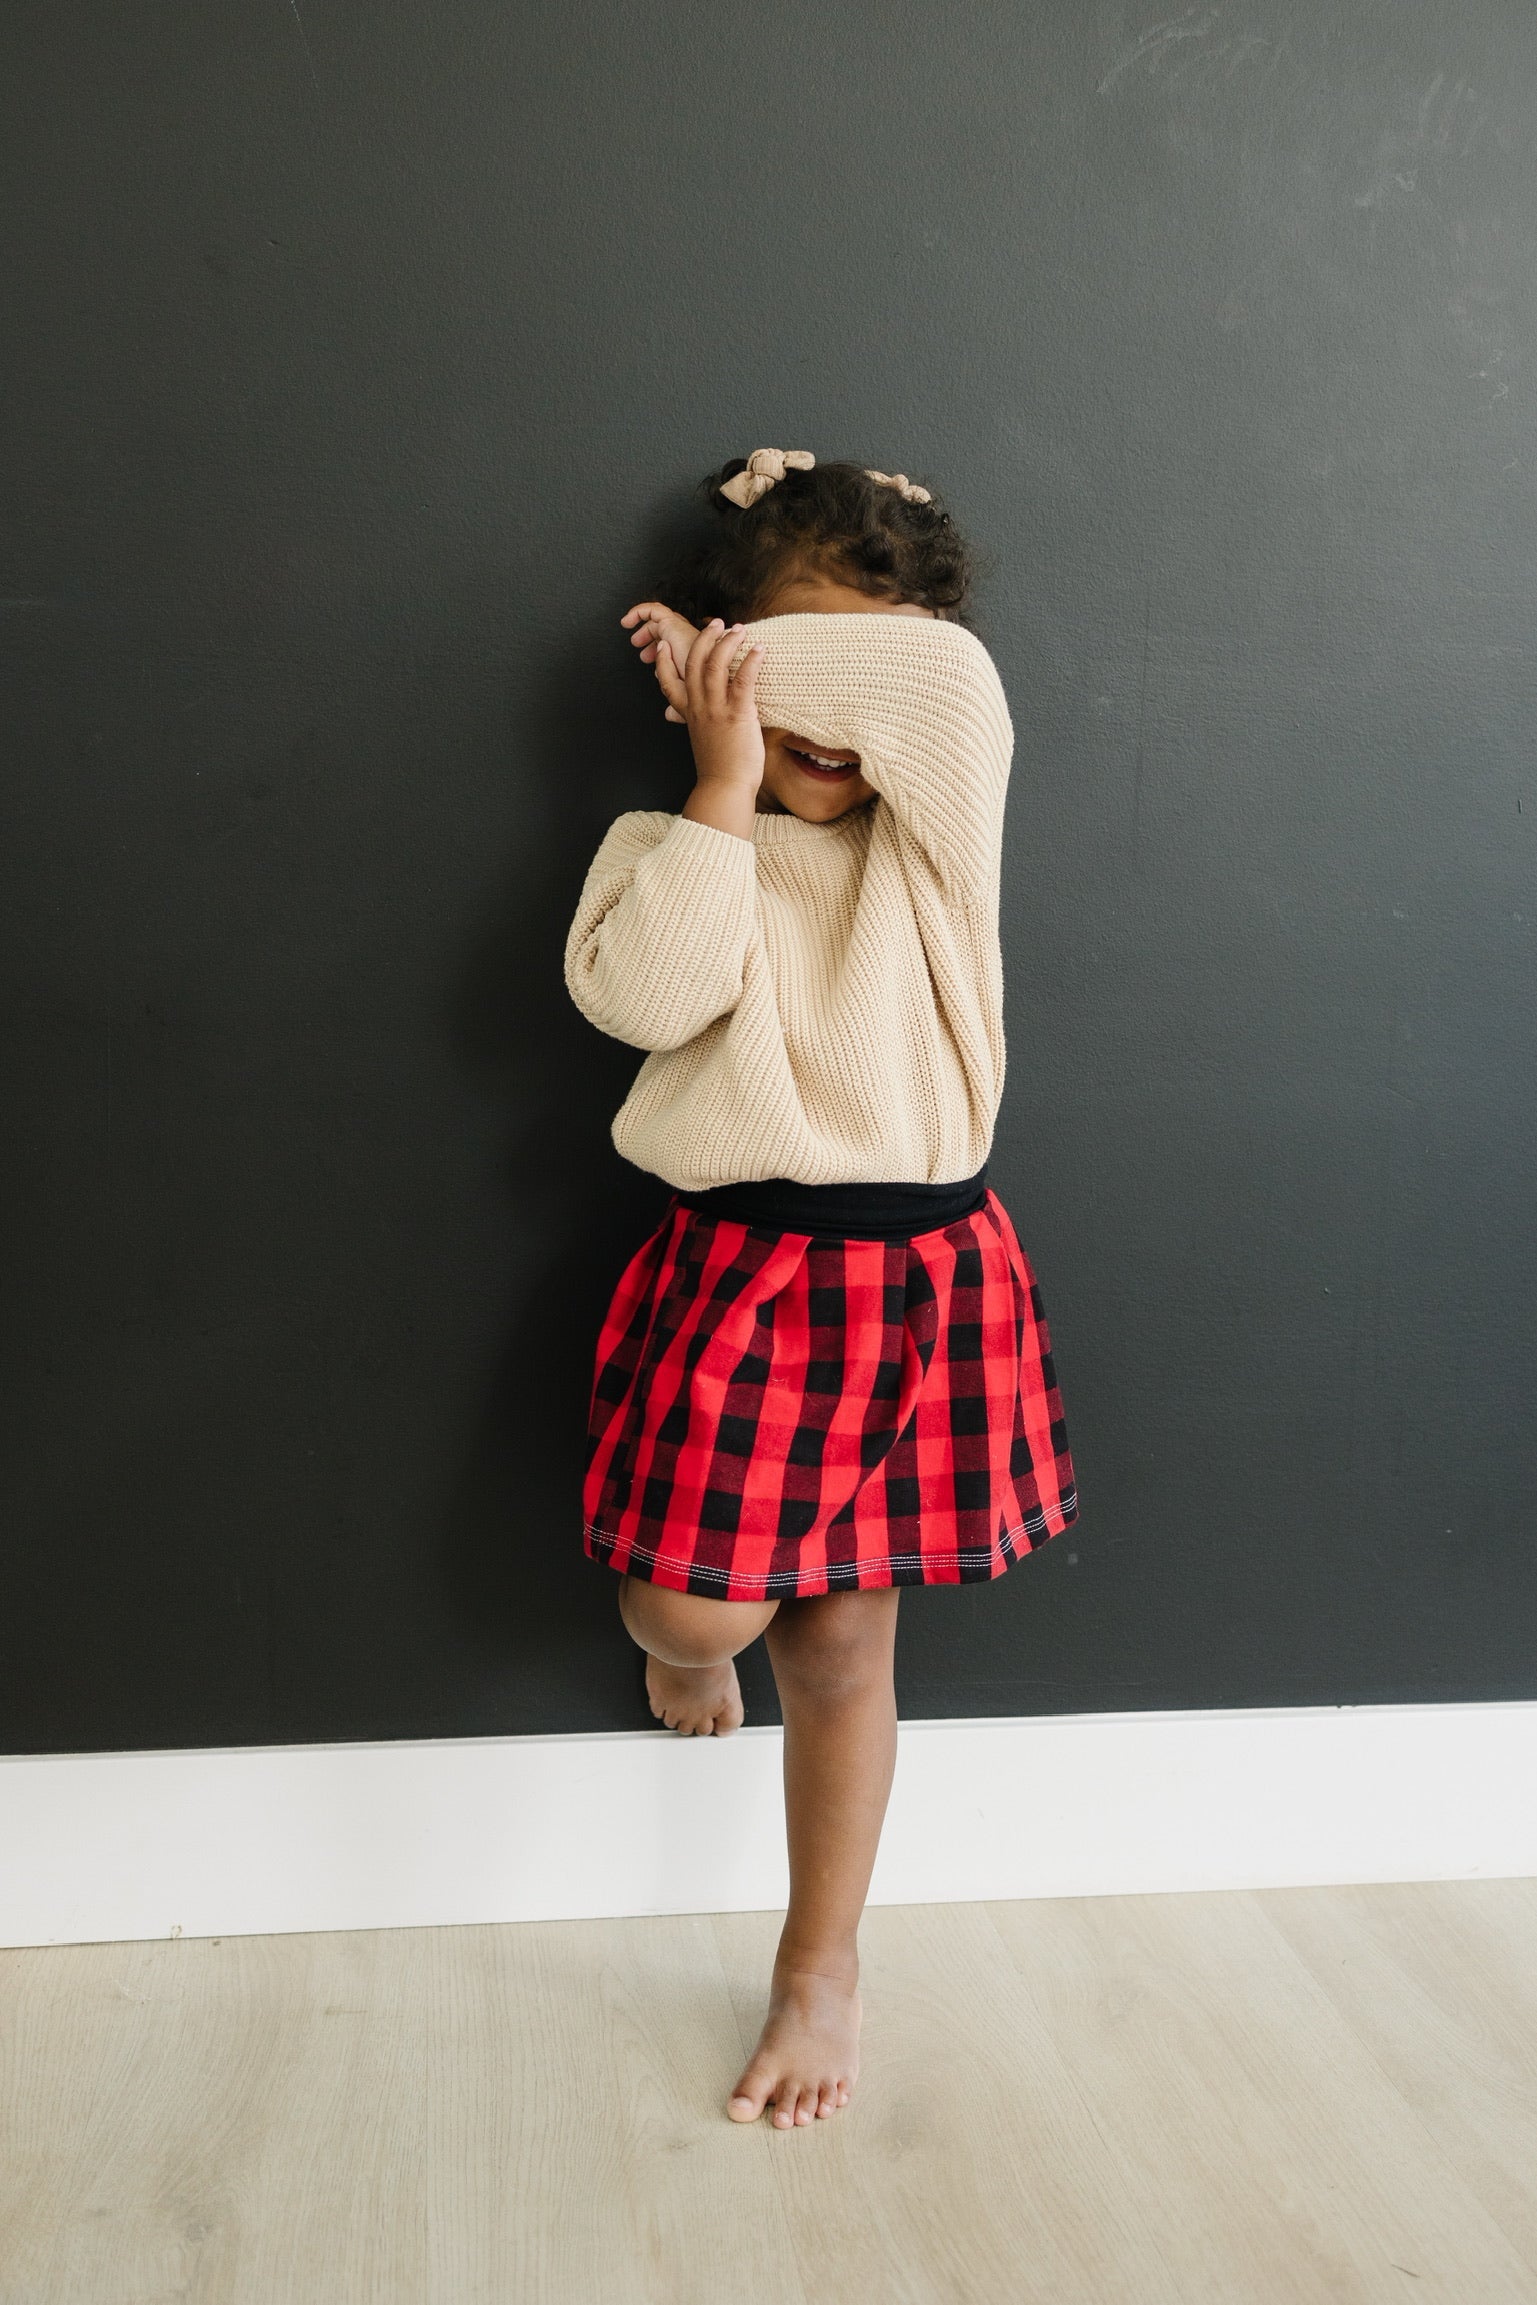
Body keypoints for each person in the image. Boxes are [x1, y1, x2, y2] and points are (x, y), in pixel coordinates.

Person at [563, 449, 1079, 2130]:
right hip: (746, 1276)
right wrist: (718, 765)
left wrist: (756, 638)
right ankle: (691, 1650)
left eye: (863, 671)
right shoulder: (670, 836)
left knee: (846, 1641)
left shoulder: (936, 840)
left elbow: (948, 687)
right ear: (720, 668)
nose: (825, 721)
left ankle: (819, 1965)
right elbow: (643, 1000)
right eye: (778, 666)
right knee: (692, 1608)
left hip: (923, 1275)